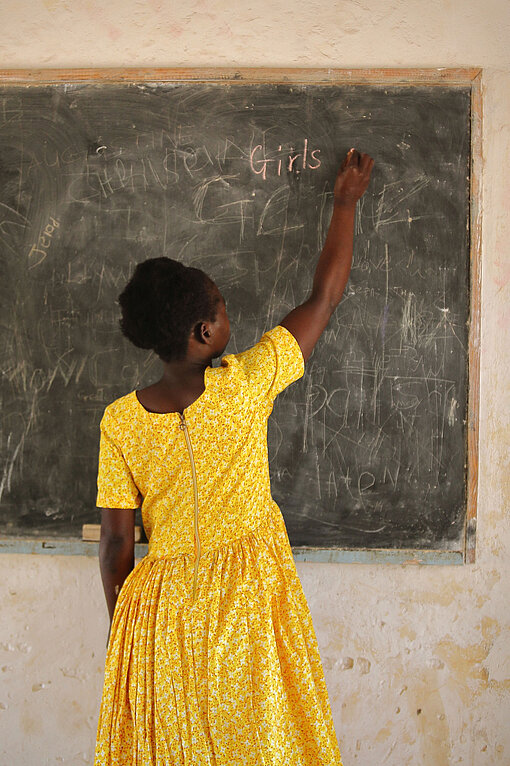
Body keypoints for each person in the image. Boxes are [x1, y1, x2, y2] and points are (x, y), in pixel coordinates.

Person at [94, 148, 374, 765]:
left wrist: (129, 638)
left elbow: (117, 547)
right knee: (264, 747)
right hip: (245, 601)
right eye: (220, 310)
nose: (228, 317)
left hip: (160, 618)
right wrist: (345, 205)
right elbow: (323, 299)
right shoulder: (243, 385)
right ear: (203, 333)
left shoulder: (120, 420)